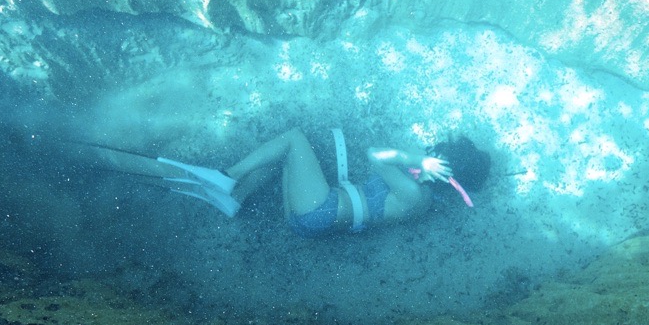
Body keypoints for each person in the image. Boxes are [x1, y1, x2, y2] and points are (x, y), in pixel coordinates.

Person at [88, 128, 489, 237]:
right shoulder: (422, 200)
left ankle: (225, 178)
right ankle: (234, 198)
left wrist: (414, 160)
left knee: (294, 138)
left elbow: (375, 155)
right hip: (313, 218)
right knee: (283, 158)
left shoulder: (414, 192)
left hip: (319, 212)